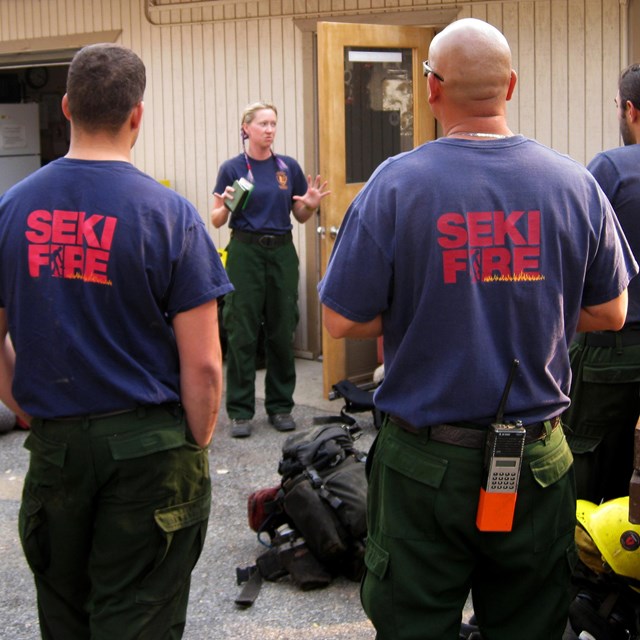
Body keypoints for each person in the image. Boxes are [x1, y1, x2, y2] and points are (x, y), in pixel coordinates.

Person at [318, 18, 638, 640]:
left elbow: (340, 319)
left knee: (413, 623)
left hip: (424, 462)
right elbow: (612, 313)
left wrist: (437, 300)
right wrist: (529, 299)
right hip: (538, 456)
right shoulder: (574, 183)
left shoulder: (395, 184)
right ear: (510, 86)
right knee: (528, 622)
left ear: (431, 89)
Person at [0, 44, 233, 639]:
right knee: (139, 617)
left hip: (58, 452)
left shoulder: (12, 210)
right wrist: (197, 440)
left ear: (67, 106)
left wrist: (24, 405)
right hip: (149, 453)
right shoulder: (171, 216)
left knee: (65, 616)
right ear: (138, 114)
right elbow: (204, 364)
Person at [211, 101, 329, 438]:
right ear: (246, 128)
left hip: (281, 252)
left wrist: (309, 205)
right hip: (245, 251)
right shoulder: (232, 168)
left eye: (274, 124)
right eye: (263, 124)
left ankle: (280, 407)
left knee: (281, 329)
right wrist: (228, 202)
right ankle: (240, 411)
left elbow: (300, 216)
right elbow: (217, 218)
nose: (269, 130)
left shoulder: (286, 167)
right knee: (241, 331)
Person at [563, 63, 640, 504]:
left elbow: (572, 258)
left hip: (611, 351)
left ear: (628, 109)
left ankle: (586, 565)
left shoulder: (611, 168)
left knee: (586, 465)